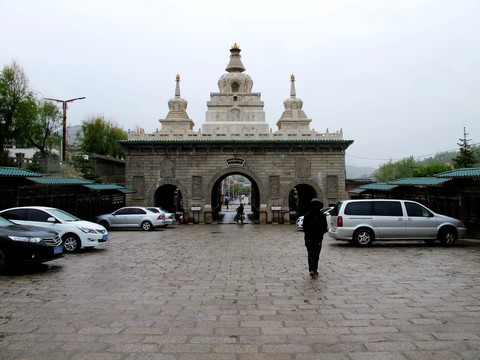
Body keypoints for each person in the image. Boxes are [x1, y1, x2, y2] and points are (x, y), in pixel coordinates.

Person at [302, 198, 328, 278]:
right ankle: (314, 269)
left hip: (311, 238)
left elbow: (305, 228)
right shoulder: (320, 215)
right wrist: (320, 234)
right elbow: (324, 228)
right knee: (315, 254)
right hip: (316, 238)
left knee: (312, 254)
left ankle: (313, 269)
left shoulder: (308, 215)